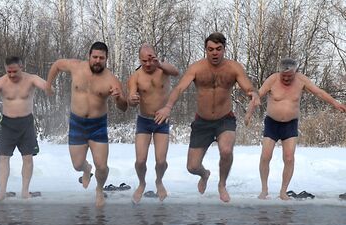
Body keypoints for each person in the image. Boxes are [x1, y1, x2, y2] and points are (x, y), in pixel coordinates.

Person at [155, 32, 260, 202]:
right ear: (206, 50)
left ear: (224, 49)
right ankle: (204, 174)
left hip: (225, 119)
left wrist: (253, 94)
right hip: (202, 121)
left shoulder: (233, 67)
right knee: (192, 166)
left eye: (218, 49)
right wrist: (168, 107)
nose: (215, 53)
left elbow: (248, 87)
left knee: (226, 150)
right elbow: (179, 88)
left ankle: (222, 184)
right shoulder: (197, 68)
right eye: (210, 49)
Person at [245, 58, 346, 200]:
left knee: (289, 158)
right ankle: (264, 189)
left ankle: (283, 191)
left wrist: (336, 103)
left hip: (290, 124)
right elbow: (256, 97)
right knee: (266, 156)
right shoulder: (272, 80)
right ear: (279, 72)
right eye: (283, 76)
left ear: (295, 72)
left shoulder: (302, 80)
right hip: (272, 123)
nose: (286, 78)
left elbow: (319, 93)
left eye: (289, 76)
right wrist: (248, 114)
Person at [46, 42, 128, 207]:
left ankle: (99, 189)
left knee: (102, 166)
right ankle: (86, 169)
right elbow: (56, 65)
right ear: (89, 56)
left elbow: (124, 107)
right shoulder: (76, 67)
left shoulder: (111, 79)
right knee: (77, 165)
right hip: (77, 123)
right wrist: (49, 84)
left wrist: (118, 98)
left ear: (106, 59)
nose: (97, 61)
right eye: (95, 57)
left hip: (98, 126)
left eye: (101, 58)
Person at [0, 56, 47, 201]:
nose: (12, 75)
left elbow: (46, 85)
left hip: (26, 123)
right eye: (9, 72)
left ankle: (25, 191)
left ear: (22, 67)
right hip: (8, 124)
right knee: (3, 157)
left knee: (27, 157)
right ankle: (2, 192)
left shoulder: (31, 79)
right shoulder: (1, 82)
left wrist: (49, 88)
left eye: (15, 71)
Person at [127, 44, 179, 203]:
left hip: (161, 121)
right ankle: (142, 183)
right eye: (144, 61)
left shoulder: (164, 70)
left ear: (155, 58)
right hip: (144, 121)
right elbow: (130, 98)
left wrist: (160, 64)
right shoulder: (135, 76)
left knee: (161, 161)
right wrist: (132, 99)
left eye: (151, 60)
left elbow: (176, 72)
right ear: (139, 60)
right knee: (140, 160)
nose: (148, 64)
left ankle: (159, 181)